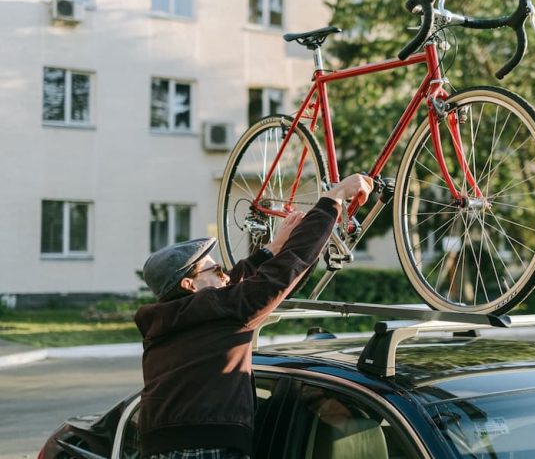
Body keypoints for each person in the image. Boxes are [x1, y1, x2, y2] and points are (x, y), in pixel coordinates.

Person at [134, 174, 374, 459]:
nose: (226, 275)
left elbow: (234, 288)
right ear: (189, 284)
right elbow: (285, 270)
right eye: (217, 271)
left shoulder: (170, 321)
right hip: (204, 451)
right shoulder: (218, 310)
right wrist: (333, 198)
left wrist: (271, 249)